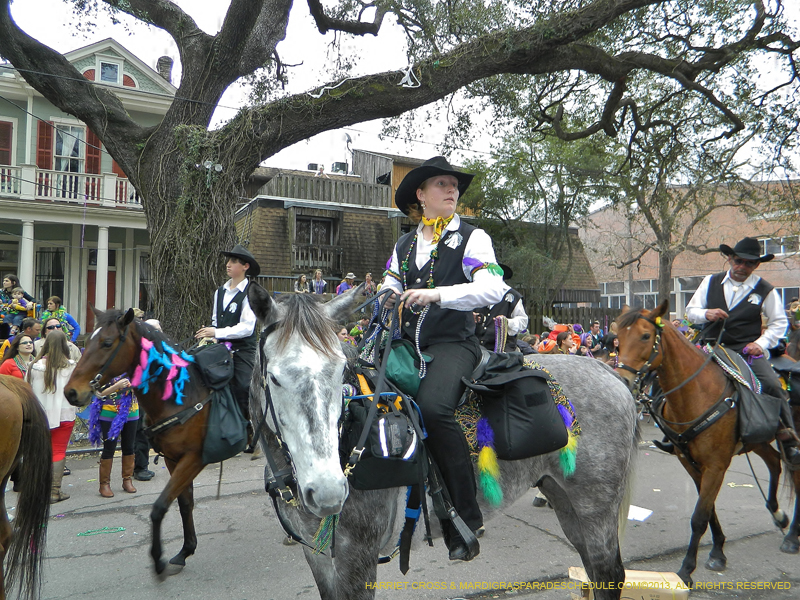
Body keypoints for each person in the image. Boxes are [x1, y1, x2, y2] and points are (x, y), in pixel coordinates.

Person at [382, 156, 508, 562]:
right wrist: (385, 298)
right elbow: (388, 284)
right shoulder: (403, 245)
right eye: (441, 184)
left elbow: (493, 287)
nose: (451, 189)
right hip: (407, 348)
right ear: (421, 195)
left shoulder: (472, 237)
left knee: (433, 410)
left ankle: (466, 517)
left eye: (454, 184)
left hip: (454, 344)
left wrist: (438, 294)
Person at [683, 237, 800, 465]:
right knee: (675, 373)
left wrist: (761, 344)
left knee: (773, 384)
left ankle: (788, 439)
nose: (742, 267)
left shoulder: (765, 289)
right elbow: (691, 312)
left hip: (745, 350)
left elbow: (778, 323)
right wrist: (706, 314)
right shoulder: (710, 281)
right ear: (730, 259)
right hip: (710, 346)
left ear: (756, 265)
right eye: (738, 261)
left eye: (749, 263)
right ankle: (672, 431)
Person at [195, 244, 258, 442]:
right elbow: (216, 320)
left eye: (233, 261)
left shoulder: (250, 292)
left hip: (243, 350)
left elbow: (247, 327)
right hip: (221, 349)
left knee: (243, 386)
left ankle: (251, 431)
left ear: (245, 266)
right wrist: (210, 333)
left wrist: (217, 332)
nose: (228, 265)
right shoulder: (219, 292)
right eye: (228, 261)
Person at [27, 330, 77, 503]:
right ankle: (54, 492)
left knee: (40, 451)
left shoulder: (33, 366)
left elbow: (27, 390)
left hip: (39, 414)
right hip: (65, 414)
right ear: (64, 344)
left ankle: (38, 490)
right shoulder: (71, 366)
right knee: (58, 451)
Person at [91, 375, 139, 497]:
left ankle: (127, 480)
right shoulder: (106, 370)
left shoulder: (133, 368)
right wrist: (117, 386)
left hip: (131, 411)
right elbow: (98, 393)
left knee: (129, 447)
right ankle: (104, 484)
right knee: (109, 448)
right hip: (109, 412)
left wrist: (135, 387)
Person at [473, 264, 528, 352]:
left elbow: (523, 321)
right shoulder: (477, 294)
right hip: (476, 347)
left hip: (504, 348)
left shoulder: (513, 296)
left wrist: (507, 322)